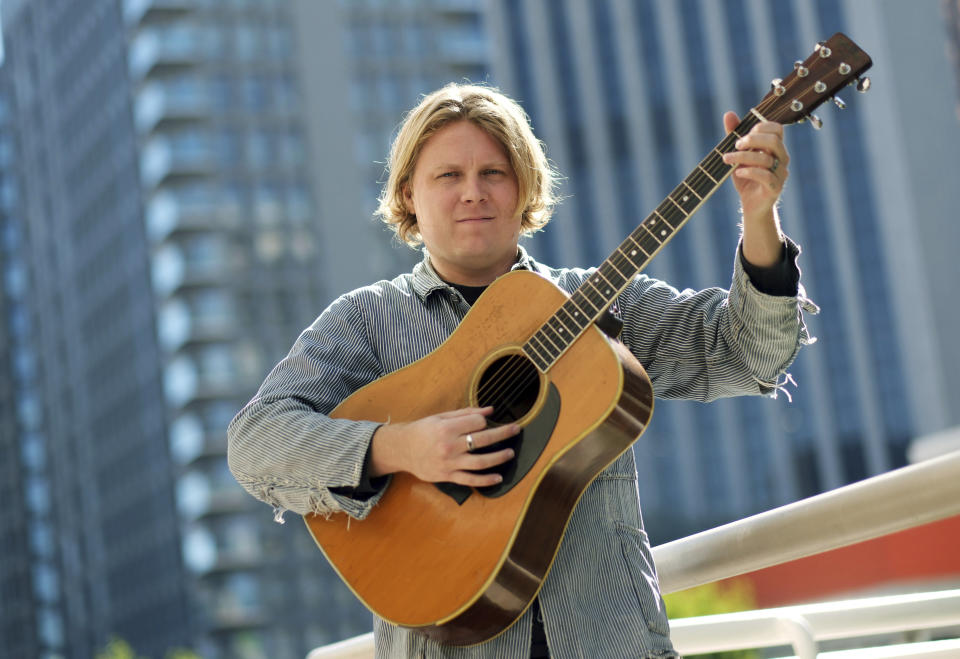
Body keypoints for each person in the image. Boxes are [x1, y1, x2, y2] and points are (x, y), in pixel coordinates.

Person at [227, 83, 816, 658]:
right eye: (448, 176)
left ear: (524, 187)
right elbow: (255, 442)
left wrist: (759, 217)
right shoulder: (366, 321)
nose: (472, 193)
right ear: (408, 195)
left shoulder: (595, 303)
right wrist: (400, 447)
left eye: (493, 173)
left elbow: (746, 353)